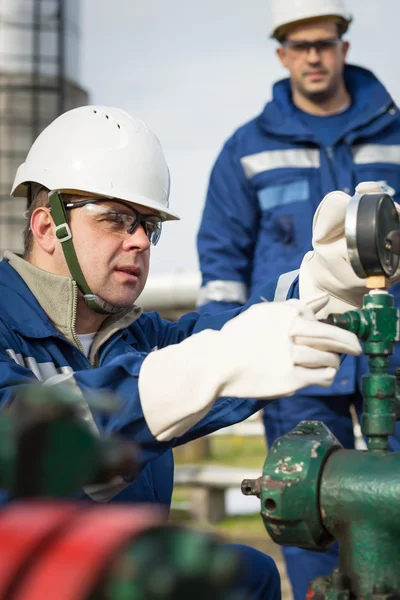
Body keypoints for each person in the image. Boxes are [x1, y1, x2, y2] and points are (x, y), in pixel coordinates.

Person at [0, 105, 363, 600]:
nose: (140, 242)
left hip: (115, 571)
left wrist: (326, 285)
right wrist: (203, 368)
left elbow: (227, 336)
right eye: (117, 219)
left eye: (149, 226)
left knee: (249, 578)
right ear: (46, 227)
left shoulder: (132, 338)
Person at [196, 0, 400, 596]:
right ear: (281, 53)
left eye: (324, 42)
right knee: (307, 502)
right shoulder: (246, 150)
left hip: (395, 350)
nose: (313, 55)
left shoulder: (395, 134)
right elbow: (222, 256)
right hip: (300, 354)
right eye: (299, 45)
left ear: (344, 47)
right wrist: (233, 345)